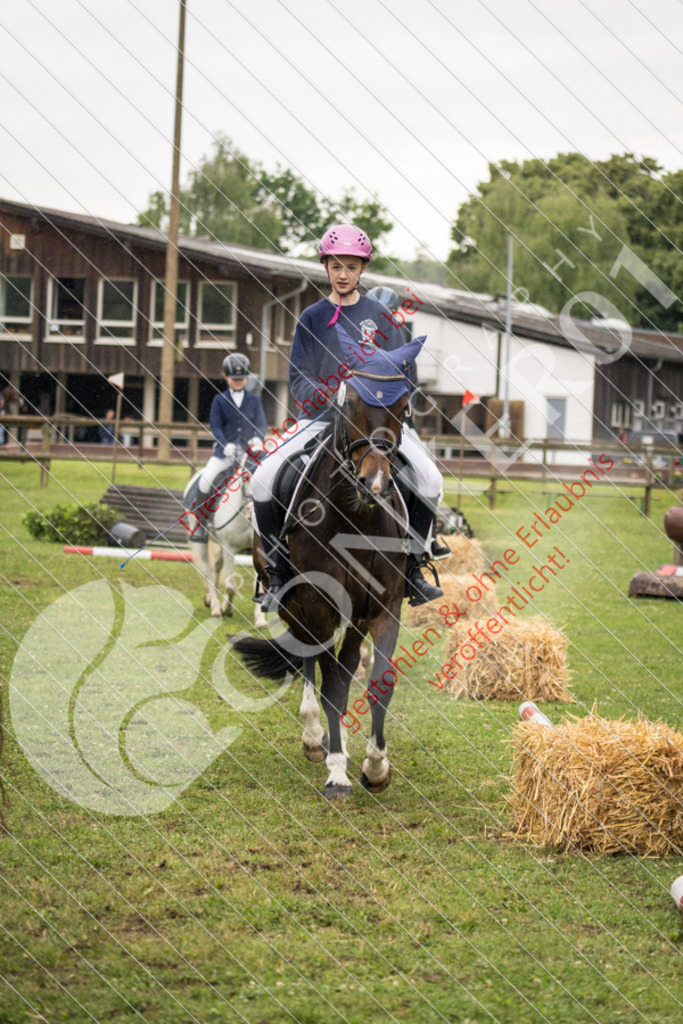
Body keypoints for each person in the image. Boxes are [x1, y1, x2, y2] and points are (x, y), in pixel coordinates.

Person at [252, 223, 444, 612]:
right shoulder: (311, 317)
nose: (343, 274)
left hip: (376, 426)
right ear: (325, 267)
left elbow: (407, 373)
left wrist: (388, 403)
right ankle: (275, 571)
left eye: (351, 266)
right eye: (336, 265)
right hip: (321, 421)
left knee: (430, 477)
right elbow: (298, 376)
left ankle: (415, 568)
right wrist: (328, 395)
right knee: (262, 478)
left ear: (362, 269)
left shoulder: (384, 317)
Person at [366, 285, 450, 561]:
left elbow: (408, 387)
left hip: (395, 425)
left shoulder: (405, 345)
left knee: (431, 479)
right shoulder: (352, 344)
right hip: (356, 426)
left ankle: (423, 546)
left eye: (385, 314)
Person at [185, 352, 267, 543]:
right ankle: (201, 526)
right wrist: (225, 443)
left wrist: (258, 439)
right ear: (226, 377)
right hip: (225, 453)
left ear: (247, 378)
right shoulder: (219, 400)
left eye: (241, 379)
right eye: (234, 379)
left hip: (249, 456)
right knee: (206, 481)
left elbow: (261, 424)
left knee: (267, 481)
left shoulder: (254, 400)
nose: (238, 382)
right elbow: (216, 426)